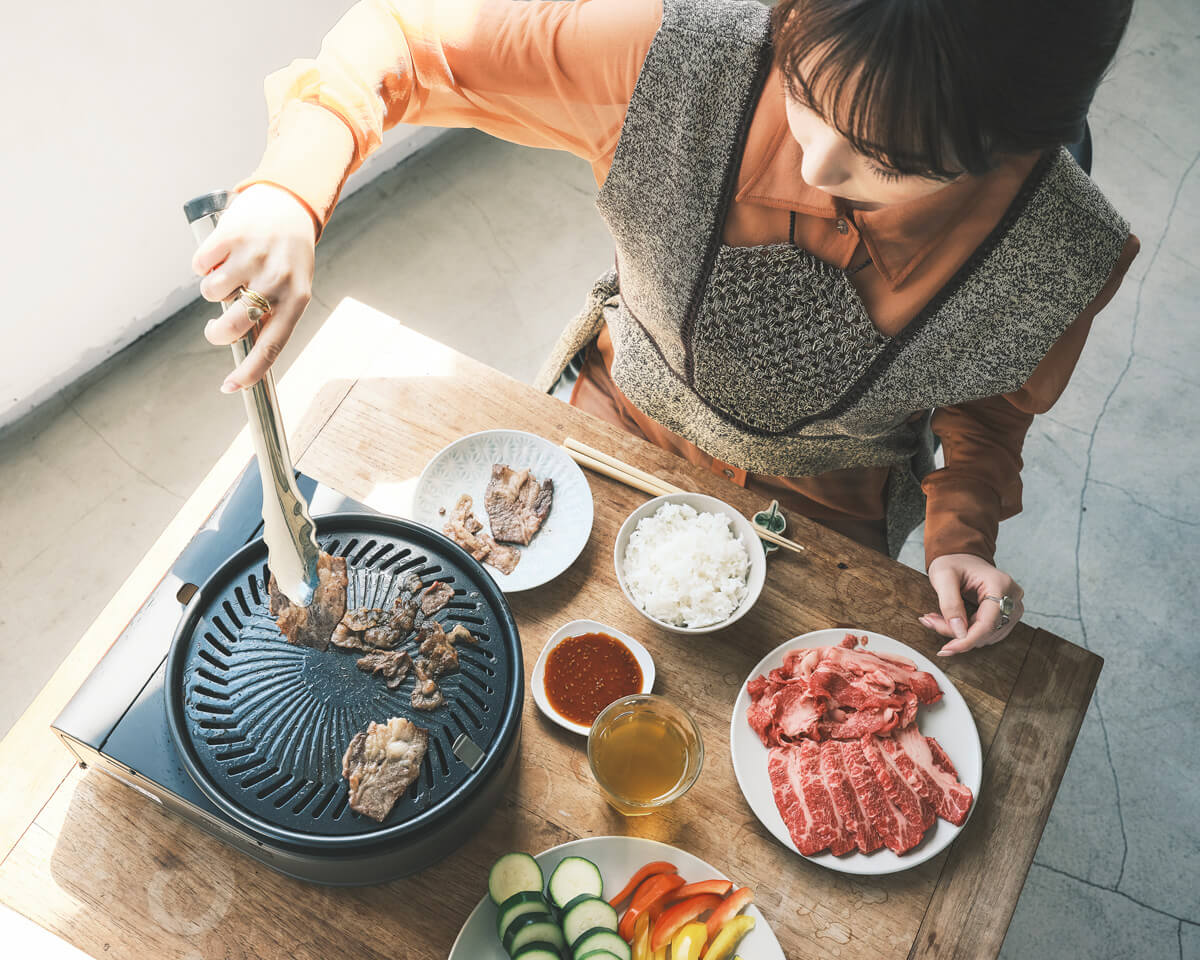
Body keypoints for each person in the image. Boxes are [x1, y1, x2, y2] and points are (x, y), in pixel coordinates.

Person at [192, 0, 1138, 656]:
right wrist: (290, 187)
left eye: (884, 160)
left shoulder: (1059, 250)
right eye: (803, 87)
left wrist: (960, 534)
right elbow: (410, 40)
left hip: (827, 507)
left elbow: (986, 408)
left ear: (1014, 151)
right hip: (612, 417)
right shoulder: (681, 59)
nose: (814, 159)